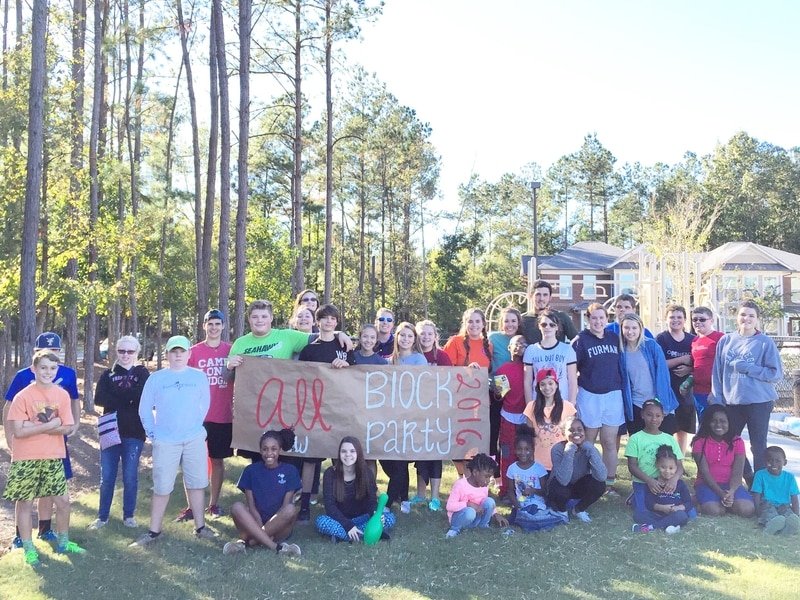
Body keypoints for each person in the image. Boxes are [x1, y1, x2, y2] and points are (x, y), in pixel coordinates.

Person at [130, 336, 216, 547]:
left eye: (182, 351)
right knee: (162, 486)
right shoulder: (156, 379)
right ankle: (153, 531)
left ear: (189, 354)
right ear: (167, 354)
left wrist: (194, 429)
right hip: (165, 441)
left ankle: (201, 526)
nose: (178, 355)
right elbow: (144, 409)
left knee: (197, 484)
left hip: (193, 439)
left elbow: (204, 405)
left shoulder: (198, 377)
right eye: (173, 351)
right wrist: (154, 434)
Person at [3, 350, 85, 565]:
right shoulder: (23, 396)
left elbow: (67, 427)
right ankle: (28, 548)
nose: (48, 372)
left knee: (64, 501)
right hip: (25, 457)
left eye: (52, 368)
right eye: (43, 367)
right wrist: (51, 424)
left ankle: (64, 542)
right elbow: (17, 431)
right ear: (34, 369)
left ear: (57, 370)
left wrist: (34, 425)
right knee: (25, 502)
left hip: (53, 455)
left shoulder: (62, 395)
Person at [171, 310, 234, 523]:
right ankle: (191, 507)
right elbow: (181, 380)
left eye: (218, 323)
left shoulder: (231, 350)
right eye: (210, 323)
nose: (214, 327)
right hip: (196, 416)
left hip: (222, 415)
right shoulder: (194, 352)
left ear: (223, 326)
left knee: (217, 461)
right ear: (204, 325)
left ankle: (213, 503)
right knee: (191, 461)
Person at [710, 300, 783, 481]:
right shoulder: (726, 341)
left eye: (751, 315)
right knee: (730, 441)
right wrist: (718, 397)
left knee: (758, 446)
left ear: (757, 319)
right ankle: (749, 477)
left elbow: (775, 374)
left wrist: (749, 368)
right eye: (743, 314)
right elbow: (717, 372)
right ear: (737, 317)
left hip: (759, 402)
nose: (746, 319)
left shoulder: (765, 342)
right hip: (732, 402)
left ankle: (760, 486)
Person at [297, 304, 355, 521]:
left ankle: (342, 501)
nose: (329, 322)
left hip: (340, 409)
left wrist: (346, 365)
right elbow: (298, 376)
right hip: (315, 410)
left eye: (333, 319)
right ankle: (304, 503)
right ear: (317, 322)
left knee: (340, 457)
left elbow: (358, 375)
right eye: (324, 318)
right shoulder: (310, 349)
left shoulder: (345, 346)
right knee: (311, 459)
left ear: (337, 322)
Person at [90, 335, 150, 530]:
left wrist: (116, 396)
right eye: (122, 351)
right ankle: (102, 516)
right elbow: (99, 398)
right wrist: (128, 398)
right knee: (106, 476)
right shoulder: (107, 375)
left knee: (130, 475)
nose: (125, 355)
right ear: (116, 351)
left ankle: (129, 515)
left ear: (137, 353)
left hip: (134, 432)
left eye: (130, 351)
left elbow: (141, 396)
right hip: (110, 430)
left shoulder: (142, 373)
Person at [223, 428, 302, 556]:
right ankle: (275, 547)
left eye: (273, 449)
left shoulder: (290, 471)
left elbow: (284, 508)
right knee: (237, 507)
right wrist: (260, 528)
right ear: (260, 450)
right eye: (265, 449)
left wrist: (263, 531)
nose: (269, 453)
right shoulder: (250, 471)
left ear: (280, 450)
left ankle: (251, 542)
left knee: (291, 509)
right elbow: (252, 506)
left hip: (279, 526)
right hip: (254, 521)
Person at [572, 303, 624, 493]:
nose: (598, 321)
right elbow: (572, 369)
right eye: (594, 318)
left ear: (607, 319)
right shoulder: (580, 340)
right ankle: (583, 480)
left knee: (609, 441)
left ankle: (608, 483)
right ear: (588, 319)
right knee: (588, 442)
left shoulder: (613, 337)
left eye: (601, 317)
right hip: (590, 395)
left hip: (612, 395)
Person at [315, 436, 396, 542]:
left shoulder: (366, 473)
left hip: (362, 518)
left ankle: (345, 536)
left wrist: (376, 514)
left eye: (352, 451)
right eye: (344, 451)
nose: (348, 455)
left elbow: (371, 501)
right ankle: (364, 534)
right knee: (321, 521)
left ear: (358, 454)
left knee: (390, 518)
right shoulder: (330, 473)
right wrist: (348, 525)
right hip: (339, 520)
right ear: (339, 454)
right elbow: (330, 507)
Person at [443, 308, 494, 464]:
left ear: (483, 324)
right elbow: (444, 372)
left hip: (480, 403)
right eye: (470, 321)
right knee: (460, 440)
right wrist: (466, 371)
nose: (474, 325)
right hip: (460, 401)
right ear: (465, 323)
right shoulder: (455, 342)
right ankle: (461, 478)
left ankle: (477, 476)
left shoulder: (488, 345)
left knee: (477, 440)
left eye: (477, 321)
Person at [625, 399, 685, 530]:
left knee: (688, 514)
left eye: (658, 415)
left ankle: (654, 525)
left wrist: (674, 480)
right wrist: (649, 481)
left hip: (666, 484)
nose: (654, 419)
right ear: (642, 415)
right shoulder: (635, 438)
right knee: (640, 514)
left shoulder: (669, 439)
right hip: (643, 482)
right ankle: (667, 522)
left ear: (663, 417)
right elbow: (632, 466)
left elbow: (680, 466)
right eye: (649, 415)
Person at [619, 313, 680, 436]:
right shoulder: (621, 351)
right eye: (626, 328)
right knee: (640, 448)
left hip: (658, 402)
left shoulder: (651, 346)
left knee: (664, 450)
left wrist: (664, 405)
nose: (630, 331)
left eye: (634, 328)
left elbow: (663, 376)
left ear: (641, 329)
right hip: (636, 405)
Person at [412, 319, 450, 510]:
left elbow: (450, 383)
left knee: (435, 452)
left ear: (435, 336)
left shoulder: (442, 357)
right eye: (422, 333)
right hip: (416, 411)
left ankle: (434, 496)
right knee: (420, 452)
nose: (425, 337)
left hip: (437, 411)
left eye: (429, 333)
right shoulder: (412, 355)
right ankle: (420, 494)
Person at [691, 405, 754, 517]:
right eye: (714, 421)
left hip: (730, 485)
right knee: (715, 511)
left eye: (723, 421)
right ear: (707, 423)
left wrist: (732, 492)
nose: (718, 425)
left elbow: (738, 472)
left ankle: (721, 502)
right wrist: (721, 493)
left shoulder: (738, 442)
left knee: (747, 510)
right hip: (707, 484)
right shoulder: (699, 442)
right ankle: (697, 501)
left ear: (729, 423)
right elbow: (704, 473)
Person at [505, 426, 567, 531]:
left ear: (533, 450)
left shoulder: (539, 468)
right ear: (515, 450)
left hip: (537, 504)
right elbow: (510, 491)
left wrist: (533, 490)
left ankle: (540, 520)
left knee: (531, 512)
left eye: (527, 449)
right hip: (521, 505)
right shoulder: (512, 468)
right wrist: (517, 505)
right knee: (514, 518)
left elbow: (545, 492)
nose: (523, 452)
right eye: (520, 449)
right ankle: (541, 521)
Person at [548, 417, 607, 522]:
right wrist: (570, 449)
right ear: (563, 433)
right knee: (561, 488)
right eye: (571, 430)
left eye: (580, 430)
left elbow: (602, 476)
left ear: (584, 432)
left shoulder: (589, 448)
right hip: (559, 487)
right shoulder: (557, 449)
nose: (576, 432)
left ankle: (578, 509)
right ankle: (561, 511)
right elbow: (563, 480)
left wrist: (591, 450)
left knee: (600, 484)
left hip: (578, 486)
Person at [656, 304, 696, 453]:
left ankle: (680, 460)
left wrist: (689, 368)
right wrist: (681, 359)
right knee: (667, 428)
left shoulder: (693, 340)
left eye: (679, 317)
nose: (675, 320)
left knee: (683, 429)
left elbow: (699, 365)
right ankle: (666, 459)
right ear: (666, 319)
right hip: (667, 390)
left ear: (685, 320)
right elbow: (659, 365)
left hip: (686, 392)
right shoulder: (661, 339)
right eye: (672, 317)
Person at [523, 368, 577, 471]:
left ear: (556, 385)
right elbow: (528, 437)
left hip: (560, 463)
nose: (547, 387)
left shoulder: (568, 407)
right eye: (542, 384)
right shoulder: (531, 407)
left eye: (550, 383)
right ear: (538, 387)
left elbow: (572, 437)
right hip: (537, 464)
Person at [494, 335, 528, 496]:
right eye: (516, 344)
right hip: (507, 418)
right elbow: (500, 396)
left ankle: (524, 488)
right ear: (509, 348)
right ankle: (506, 489)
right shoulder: (502, 370)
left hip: (526, 418)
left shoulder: (530, 368)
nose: (519, 346)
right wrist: (497, 392)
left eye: (523, 343)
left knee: (524, 453)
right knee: (507, 454)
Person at [523, 309, 578, 408]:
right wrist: (529, 407)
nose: (548, 327)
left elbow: (572, 380)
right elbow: (527, 381)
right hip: (539, 404)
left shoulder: (567, 350)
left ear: (557, 327)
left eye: (552, 325)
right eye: (544, 324)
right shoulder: (531, 350)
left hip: (562, 403)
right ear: (539, 326)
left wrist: (571, 405)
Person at [444, 453, 508, 538]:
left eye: (490, 477)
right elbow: (449, 506)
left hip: (476, 519)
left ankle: (483, 526)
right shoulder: (460, 485)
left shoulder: (483, 486)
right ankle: (454, 529)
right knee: (470, 512)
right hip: (461, 518)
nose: (488, 480)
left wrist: (496, 514)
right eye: (486, 477)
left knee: (490, 501)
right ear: (475, 472)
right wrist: (468, 504)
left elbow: (485, 502)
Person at [634, 445, 692, 534]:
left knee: (682, 516)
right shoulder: (654, 483)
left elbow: (688, 503)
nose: (667, 471)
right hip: (657, 514)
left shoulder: (680, 484)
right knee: (638, 514)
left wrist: (678, 508)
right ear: (657, 465)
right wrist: (661, 508)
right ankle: (668, 526)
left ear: (677, 467)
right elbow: (649, 503)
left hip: (675, 513)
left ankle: (652, 527)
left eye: (671, 468)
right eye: (663, 467)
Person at [751, 446, 800, 535]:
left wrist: (796, 514)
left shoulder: (790, 477)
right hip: (766, 503)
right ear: (765, 462)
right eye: (770, 461)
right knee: (770, 513)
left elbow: (794, 497)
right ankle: (771, 526)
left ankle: (786, 529)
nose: (774, 464)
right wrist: (757, 512)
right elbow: (756, 495)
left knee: (789, 515)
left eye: (778, 461)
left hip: (784, 505)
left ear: (785, 462)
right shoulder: (760, 474)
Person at [690, 306, 723, 421]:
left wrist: (715, 391)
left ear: (711, 321)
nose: (698, 322)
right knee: (702, 426)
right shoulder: (694, 341)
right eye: (695, 320)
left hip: (714, 392)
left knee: (714, 427)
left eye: (702, 319)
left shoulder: (720, 338)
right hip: (698, 392)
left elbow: (725, 367)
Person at [520, 279, 578, 345]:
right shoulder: (522, 320)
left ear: (550, 297)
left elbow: (577, 341)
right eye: (538, 294)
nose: (541, 298)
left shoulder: (562, 317)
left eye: (545, 295)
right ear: (530, 296)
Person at [489, 307, 523, 372]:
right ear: (502, 323)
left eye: (513, 321)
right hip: (497, 379)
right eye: (506, 321)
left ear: (518, 323)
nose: (510, 324)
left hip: (518, 380)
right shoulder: (493, 338)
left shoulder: (523, 340)